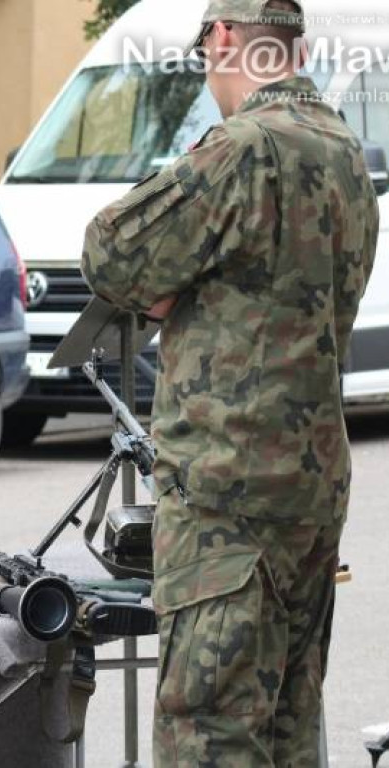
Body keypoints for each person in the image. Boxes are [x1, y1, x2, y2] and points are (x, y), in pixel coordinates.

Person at [81, 1, 379, 765]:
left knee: (208, 734)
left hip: (225, 498)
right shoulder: (345, 150)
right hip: (309, 493)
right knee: (286, 728)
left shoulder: (243, 147)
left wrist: (167, 288)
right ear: (297, 48)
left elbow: (111, 252)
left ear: (222, 40)